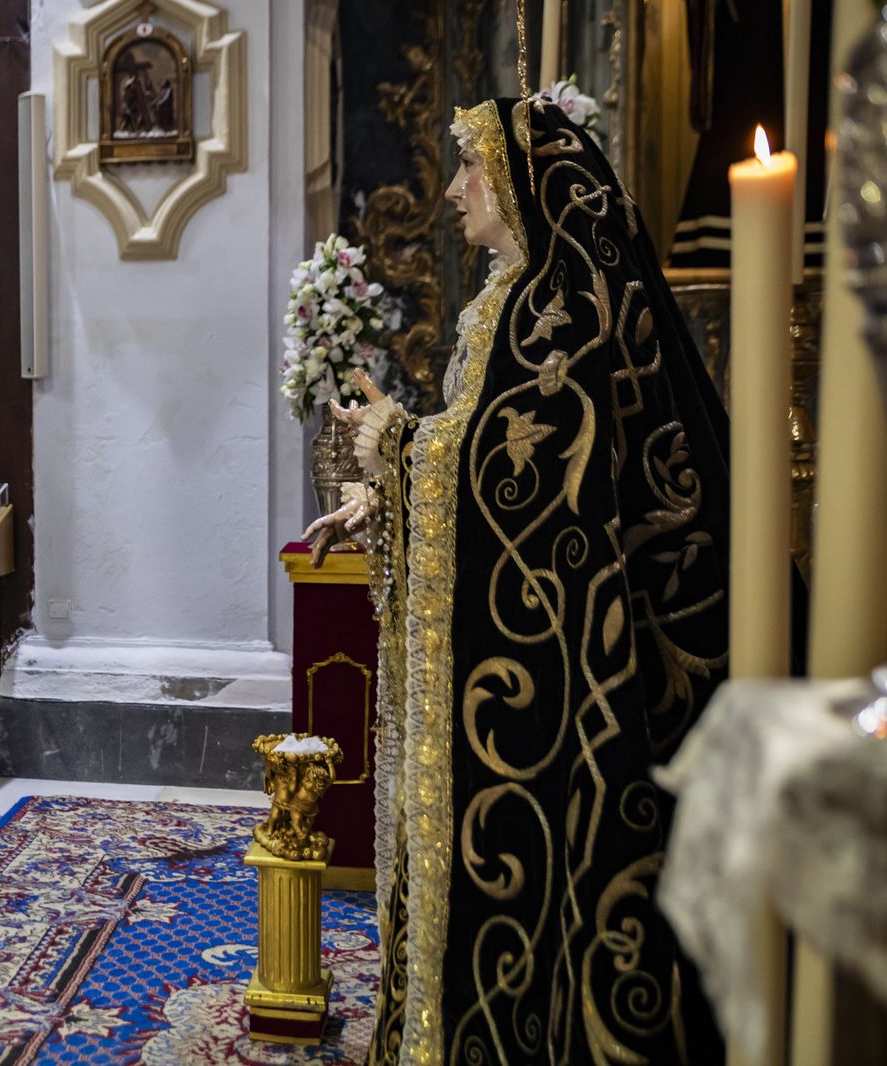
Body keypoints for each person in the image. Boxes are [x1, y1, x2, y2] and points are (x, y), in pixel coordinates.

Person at [305, 98, 729, 1064]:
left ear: (525, 187)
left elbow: (527, 475)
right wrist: (382, 500)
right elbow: (487, 456)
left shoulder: (558, 304)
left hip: (560, 641)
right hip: (528, 615)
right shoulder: (514, 296)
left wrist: (390, 446)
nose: (454, 190)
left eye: (472, 171)